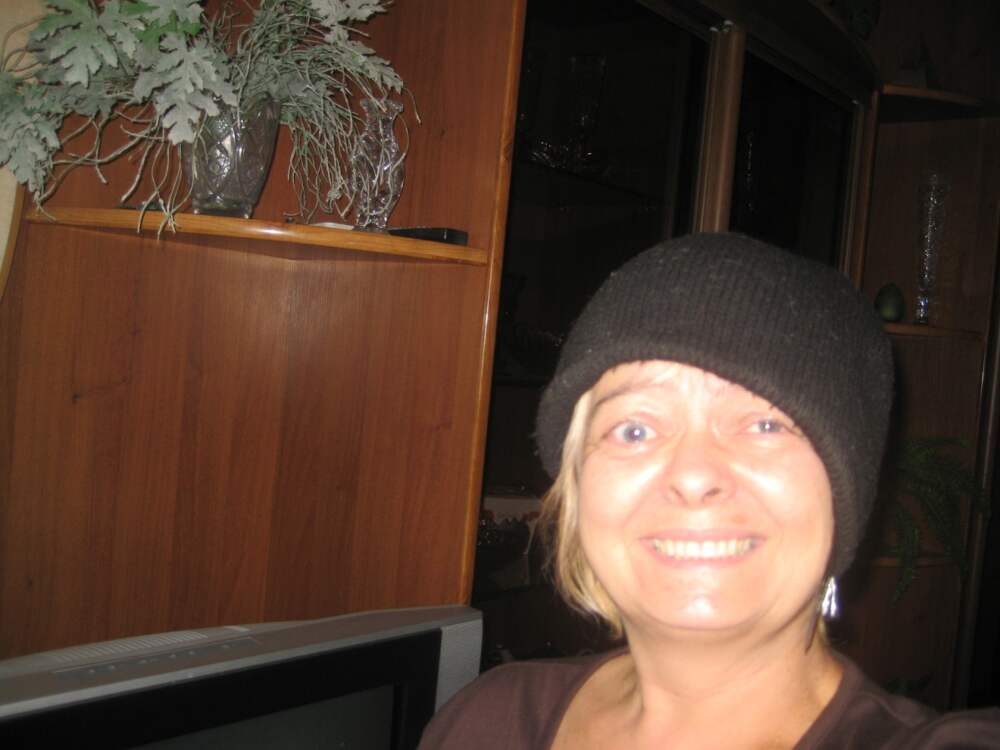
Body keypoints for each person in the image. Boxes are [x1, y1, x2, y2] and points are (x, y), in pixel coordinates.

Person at [419, 233, 1000, 749]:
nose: (694, 476)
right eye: (635, 430)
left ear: (846, 496)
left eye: (766, 425)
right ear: (577, 492)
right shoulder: (485, 722)